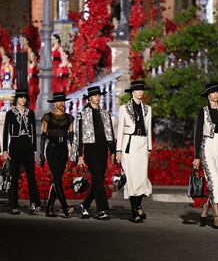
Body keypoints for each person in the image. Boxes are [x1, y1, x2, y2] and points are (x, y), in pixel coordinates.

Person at [193, 81, 218, 229]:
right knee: (214, 180)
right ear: (208, 94)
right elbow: (197, 134)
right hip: (207, 146)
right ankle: (217, 217)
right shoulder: (202, 111)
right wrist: (197, 155)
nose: (216, 94)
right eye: (213, 92)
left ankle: (205, 207)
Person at [71, 86, 116, 220]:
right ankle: (102, 210)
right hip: (90, 150)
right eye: (95, 95)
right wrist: (80, 155)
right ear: (90, 97)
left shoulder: (105, 113)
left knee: (98, 180)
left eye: (98, 95)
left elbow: (110, 133)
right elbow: (79, 136)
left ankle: (85, 205)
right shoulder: (83, 114)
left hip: (103, 150)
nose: (97, 97)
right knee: (97, 178)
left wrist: (113, 151)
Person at [116, 80, 152, 223]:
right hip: (129, 144)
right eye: (137, 90)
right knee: (131, 179)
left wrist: (149, 147)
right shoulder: (124, 108)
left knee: (142, 178)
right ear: (132, 92)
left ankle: (138, 206)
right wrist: (118, 150)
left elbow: (149, 129)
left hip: (142, 144)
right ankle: (134, 211)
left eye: (141, 90)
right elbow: (120, 131)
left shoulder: (148, 109)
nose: (140, 92)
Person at [2, 89, 41, 215]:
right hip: (14, 145)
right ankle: (13, 205)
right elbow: (5, 133)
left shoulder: (31, 113)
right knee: (14, 177)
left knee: (31, 177)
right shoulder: (10, 113)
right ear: (16, 99)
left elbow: (34, 133)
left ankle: (34, 204)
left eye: (25, 97)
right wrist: (5, 150)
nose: (23, 99)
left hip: (28, 147)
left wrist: (35, 150)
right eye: (21, 97)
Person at [40, 92, 75, 217]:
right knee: (57, 178)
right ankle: (65, 208)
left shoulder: (69, 118)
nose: (61, 103)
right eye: (59, 101)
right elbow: (43, 136)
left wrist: (74, 151)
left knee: (57, 179)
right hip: (52, 149)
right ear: (54, 103)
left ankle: (49, 208)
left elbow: (71, 135)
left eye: (63, 101)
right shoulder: (47, 117)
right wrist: (41, 153)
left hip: (63, 149)